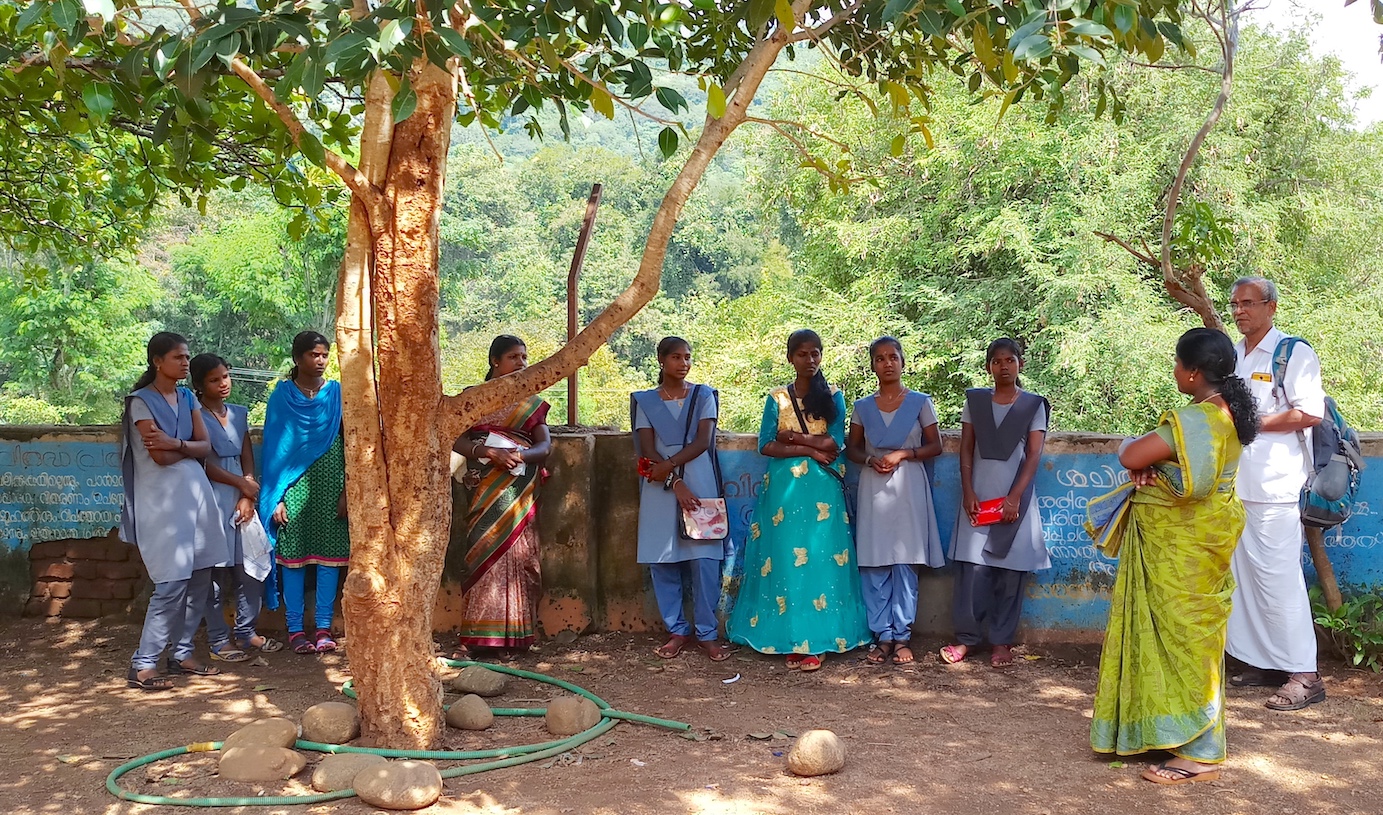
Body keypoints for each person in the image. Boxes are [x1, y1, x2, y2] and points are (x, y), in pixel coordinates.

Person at [1087, 328, 1259, 784]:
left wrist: (1143, 461)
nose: (1176, 371)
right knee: (1188, 638)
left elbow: (1131, 453)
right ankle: (1171, 731)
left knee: (1181, 639)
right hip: (1206, 539)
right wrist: (1155, 467)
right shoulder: (1230, 416)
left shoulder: (1198, 420)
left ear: (1194, 372)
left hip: (1180, 547)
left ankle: (1200, 751)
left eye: (1178, 364)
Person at [727, 329, 871, 671]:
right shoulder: (776, 398)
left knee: (821, 560)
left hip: (822, 492)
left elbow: (834, 444)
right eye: (803, 354)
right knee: (785, 562)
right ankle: (787, 637)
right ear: (790, 357)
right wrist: (808, 446)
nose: (810, 360)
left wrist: (791, 438)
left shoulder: (834, 396)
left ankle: (819, 640)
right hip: (783, 496)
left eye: (816, 353)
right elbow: (765, 444)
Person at [1224, 276, 1328, 710]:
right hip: (1238, 484)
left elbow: (1310, 412)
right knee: (1245, 579)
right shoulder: (1235, 355)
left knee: (1279, 579)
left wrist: (1255, 424)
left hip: (1276, 486)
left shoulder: (1293, 352)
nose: (1239, 311)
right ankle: (1263, 662)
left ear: (1271, 306)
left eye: (1248, 303)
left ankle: (1305, 674)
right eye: (1234, 304)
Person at [120, 332, 231, 690]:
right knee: (171, 583)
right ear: (157, 361)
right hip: (163, 504)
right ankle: (144, 663)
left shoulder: (186, 397)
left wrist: (177, 442)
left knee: (200, 577)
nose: (185, 363)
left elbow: (205, 447)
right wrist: (184, 447)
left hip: (196, 499)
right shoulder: (141, 402)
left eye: (187, 357)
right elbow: (159, 455)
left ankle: (182, 653)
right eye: (178, 357)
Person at [940, 338, 1049, 669]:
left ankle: (1002, 642)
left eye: (1010, 360)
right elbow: (966, 448)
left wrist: (1015, 496)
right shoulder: (975, 401)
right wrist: (969, 490)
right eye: (997, 361)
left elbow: (1033, 454)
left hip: (1016, 496)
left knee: (1010, 573)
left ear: (1020, 365)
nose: (1004, 366)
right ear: (988, 366)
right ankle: (967, 640)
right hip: (980, 494)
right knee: (973, 571)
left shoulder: (1033, 405)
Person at [451, 335, 552, 658]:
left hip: (518, 492)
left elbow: (544, 447)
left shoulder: (530, 402)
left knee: (519, 559)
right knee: (483, 555)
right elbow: (457, 440)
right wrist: (487, 451)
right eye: (514, 357)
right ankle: (475, 638)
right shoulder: (474, 398)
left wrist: (519, 456)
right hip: (484, 489)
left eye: (524, 357)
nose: (521, 363)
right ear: (495, 361)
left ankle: (514, 639)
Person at [845, 337, 944, 666]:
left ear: (903, 362)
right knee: (874, 562)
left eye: (893, 357)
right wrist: (871, 460)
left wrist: (903, 453)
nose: (887, 363)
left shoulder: (919, 403)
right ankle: (882, 637)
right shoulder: (862, 407)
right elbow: (853, 449)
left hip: (908, 487)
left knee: (904, 562)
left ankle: (902, 637)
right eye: (880, 358)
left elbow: (935, 446)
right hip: (874, 487)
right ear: (872, 365)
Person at [177, 354, 282, 662]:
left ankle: (247, 633)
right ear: (198, 384)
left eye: (225, 376)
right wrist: (241, 484)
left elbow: (246, 452)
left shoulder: (238, 413)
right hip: (208, 497)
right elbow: (201, 462)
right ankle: (219, 639)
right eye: (213, 379)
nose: (222, 384)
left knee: (251, 568)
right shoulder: (192, 415)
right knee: (211, 574)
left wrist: (247, 493)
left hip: (240, 499)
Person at [633, 337, 732, 662]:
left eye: (688, 357)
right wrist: (675, 482)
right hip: (660, 485)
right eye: (676, 357)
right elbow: (647, 447)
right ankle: (677, 630)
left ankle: (706, 633)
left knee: (705, 561)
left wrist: (672, 468)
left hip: (699, 482)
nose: (683, 363)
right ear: (661, 360)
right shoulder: (646, 402)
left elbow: (704, 440)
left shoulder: (703, 395)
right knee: (663, 561)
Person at [258, 331, 349, 656]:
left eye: (325, 354)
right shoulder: (282, 396)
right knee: (292, 559)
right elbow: (273, 450)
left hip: (332, 487)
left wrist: (347, 491)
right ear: (297, 358)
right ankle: (295, 630)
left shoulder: (337, 394)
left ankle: (323, 627)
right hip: (293, 490)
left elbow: (352, 443)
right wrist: (277, 497)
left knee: (331, 559)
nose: (321, 360)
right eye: (313, 355)